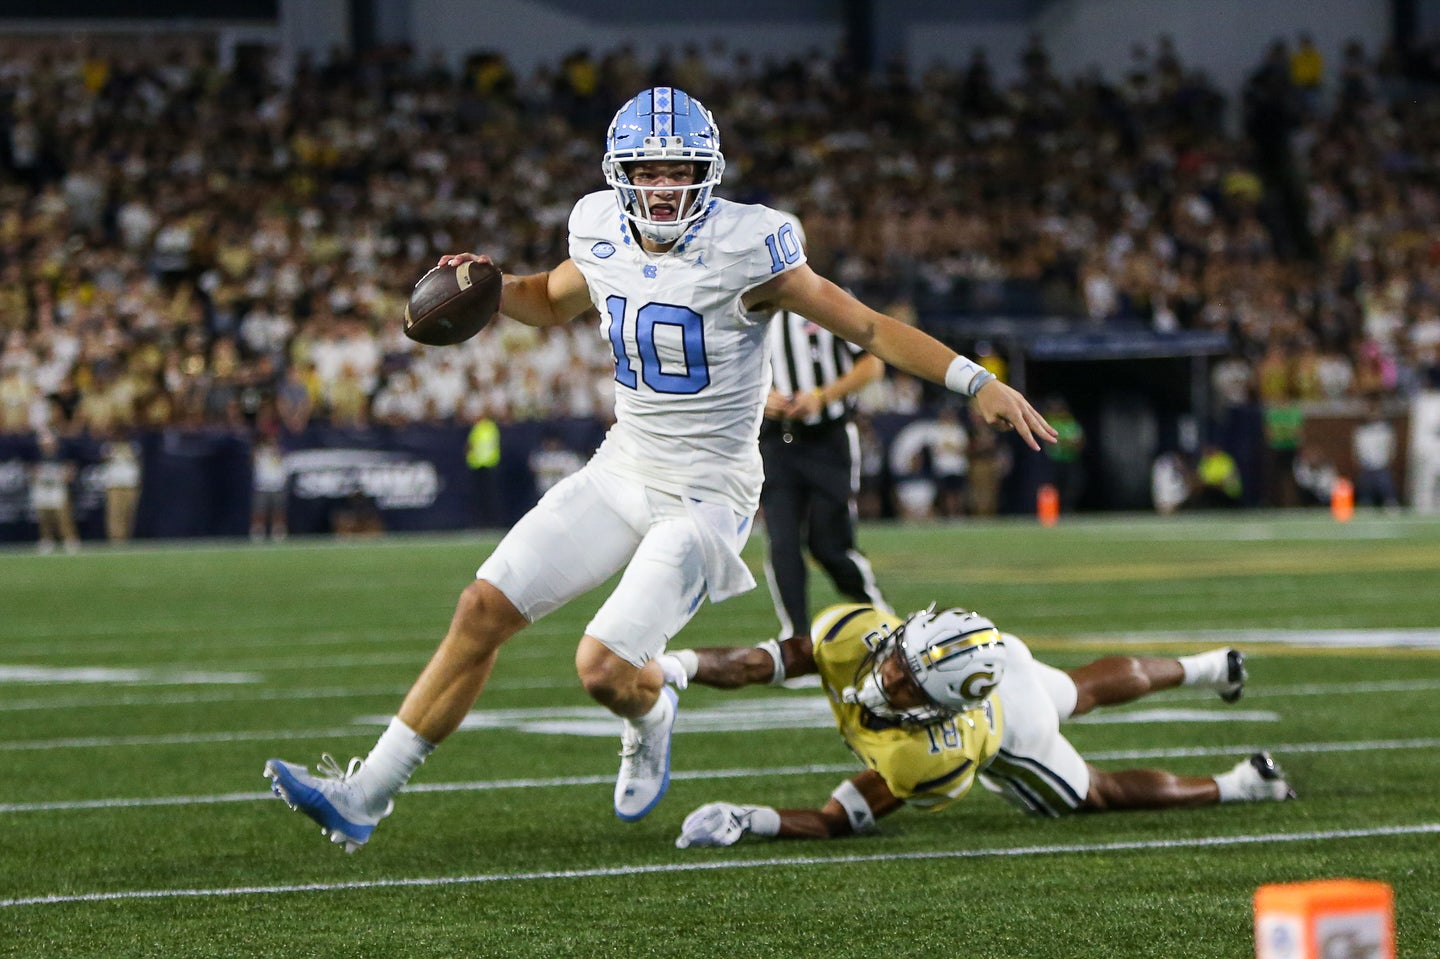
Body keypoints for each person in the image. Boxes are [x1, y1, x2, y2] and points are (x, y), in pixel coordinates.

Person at [263, 87, 1056, 853]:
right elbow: (549, 299)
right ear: (622, 174)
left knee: (603, 670)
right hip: (624, 466)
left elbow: (872, 327)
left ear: (707, 172)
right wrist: (493, 288)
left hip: (706, 496)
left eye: (680, 169)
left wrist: (976, 381)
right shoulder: (598, 225)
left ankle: (648, 719)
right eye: (649, 170)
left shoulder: (753, 245)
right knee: (480, 607)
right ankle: (365, 794)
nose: (665, 186)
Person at [658, 602, 1293, 847]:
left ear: (939, 709)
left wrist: (752, 819)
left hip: (1014, 730)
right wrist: (679, 665)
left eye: (908, 687)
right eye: (898, 663)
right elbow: (770, 660)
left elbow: (838, 817)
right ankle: (1212, 666)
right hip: (1003, 658)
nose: (888, 681)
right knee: (1081, 687)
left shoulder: (926, 754)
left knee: (1093, 792)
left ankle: (1242, 784)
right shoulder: (861, 633)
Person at [760, 299, 890, 642]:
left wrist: (823, 396)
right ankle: (796, 640)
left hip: (828, 439)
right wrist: (761, 396)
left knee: (829, 544)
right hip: (774, 441)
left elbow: (872, 365)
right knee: (782, 542)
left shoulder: (826, 298)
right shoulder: (740, 300)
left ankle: (882, 620)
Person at [29, 432, 80, 554]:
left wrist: (65, 475)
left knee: (63, 516)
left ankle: (70, 539)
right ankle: (47, 539)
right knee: (44, 516)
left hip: (57, 488)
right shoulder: (37, 456)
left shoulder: (62, 455)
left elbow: (70, 471)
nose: (47, 446)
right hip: (42, 488)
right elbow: (31, 472)